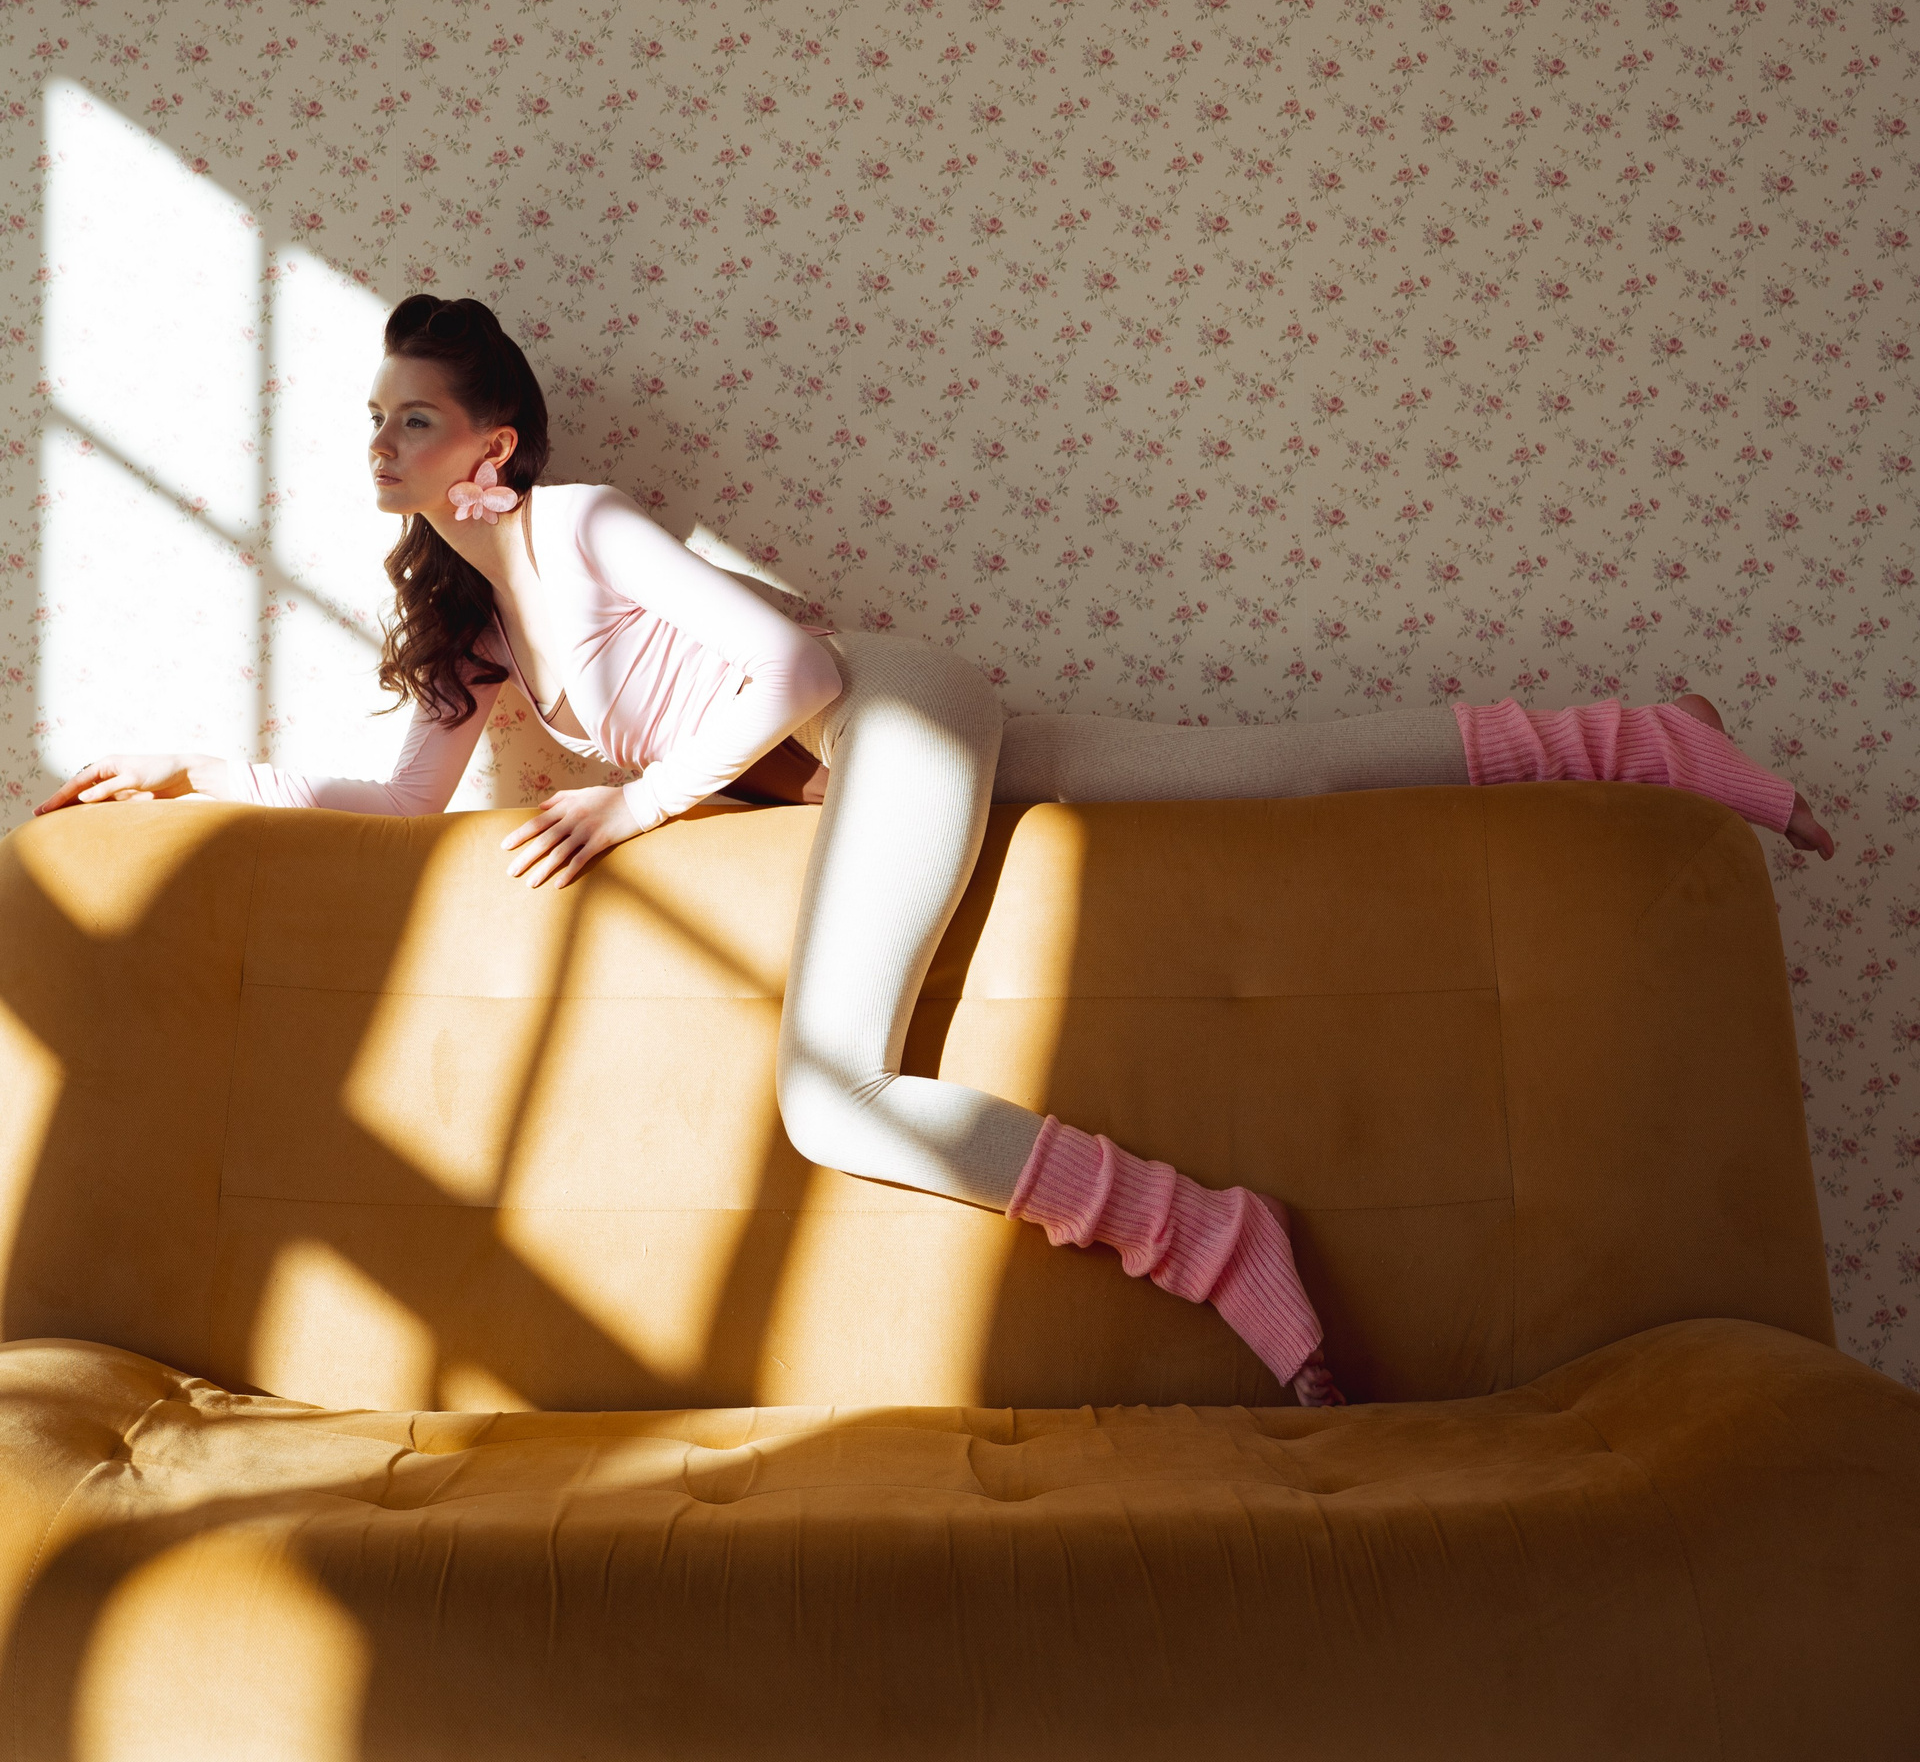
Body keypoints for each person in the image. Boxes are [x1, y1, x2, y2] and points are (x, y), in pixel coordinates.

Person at [35, 296, 1834, 1408]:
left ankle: (1214, 1243)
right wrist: (200, 771)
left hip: (885, 713)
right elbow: (396, 807)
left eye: (410, 417)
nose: (382, 442)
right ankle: (1634, 742)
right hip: (874, 758)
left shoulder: (582, 528)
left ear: (490, 446)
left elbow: (797, 668)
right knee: (1264, 774)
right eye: (376, 420)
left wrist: (631, 804)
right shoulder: (487, 630)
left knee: (833, 1096)